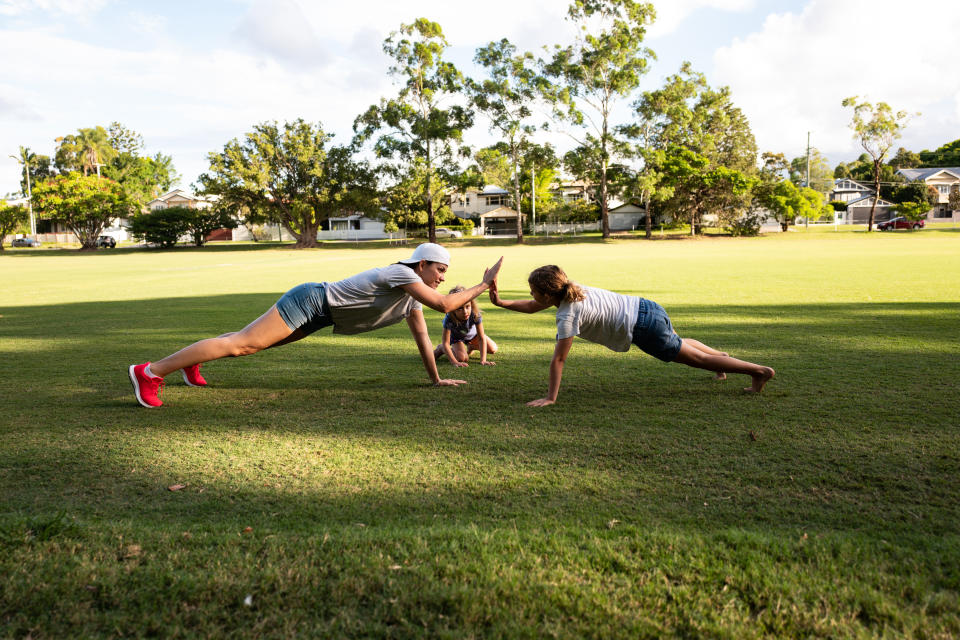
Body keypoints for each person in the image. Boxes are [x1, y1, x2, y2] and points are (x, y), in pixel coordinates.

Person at [128, 244, 503, 408]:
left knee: (248, 343)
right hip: (311, 300)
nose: (441, 278)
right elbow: (444, 304)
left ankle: (190, 363)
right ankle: (150, 372)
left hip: (321, 314)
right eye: (439, 270)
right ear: (421, 265)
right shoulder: (399, 274)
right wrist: (484, 284)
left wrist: (436, 379)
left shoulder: (410, 294)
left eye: (445, 273)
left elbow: (422, 334)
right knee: (244, 343)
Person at [488, 265, 774, 407]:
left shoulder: (567, 315)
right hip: (647, 307)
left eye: (534, 291)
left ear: (549, 294)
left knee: (693, 359)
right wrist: (500, 302)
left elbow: (559, 360)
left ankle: (757, 371)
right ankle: (720, 358)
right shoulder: (570, 288)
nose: (530, 295)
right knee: (681, 342)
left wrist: (551, 397)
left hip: (643, 327)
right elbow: (531, 307)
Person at [432, 285, 498, 367]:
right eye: (460, 308)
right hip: (457, 338)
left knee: (493, 349)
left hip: (472, 336)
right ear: (453, 309)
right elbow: (446, 342)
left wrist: (483, 360)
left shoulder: (475, 314)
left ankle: (471, 346)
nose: (465, 312)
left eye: (467, 306)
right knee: (462, 358)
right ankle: (441, 349)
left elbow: (481, 338)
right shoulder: (449, 318)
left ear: (471, 304)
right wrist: (454, 362)